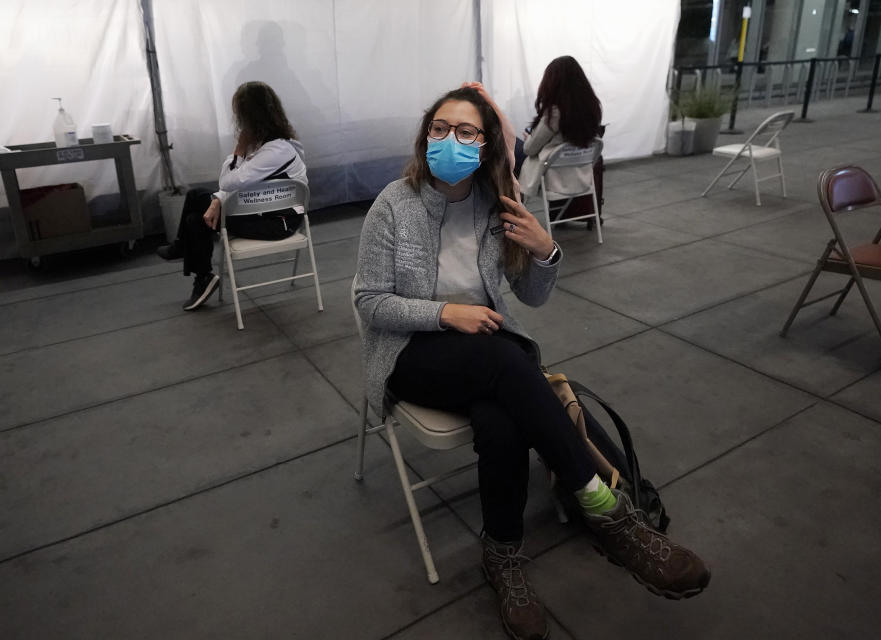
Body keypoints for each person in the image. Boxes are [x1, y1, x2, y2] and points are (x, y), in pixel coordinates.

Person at [355, 86, 710, 640]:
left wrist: (545, 250)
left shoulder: (495, 206)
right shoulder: (393, 205)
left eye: (467, 131)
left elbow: (531, 295)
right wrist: (447, 313)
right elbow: (370, 302)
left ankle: (502, 555)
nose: (451, 140)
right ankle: (605, 507)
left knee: (501, 423)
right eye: (440, 128)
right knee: (506, 360)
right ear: (426, 135)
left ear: (486, 143)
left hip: (485, 356)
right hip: (410, 353)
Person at [157, 81, 308, 311]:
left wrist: (237, 151)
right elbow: (240, 184)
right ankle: (199, 270)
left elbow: (228, 181)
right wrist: (218, 200)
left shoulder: (274, 151)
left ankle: (194, 263)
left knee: (196, 201)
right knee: (196, 216)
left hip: (279, 224)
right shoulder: (272, 146)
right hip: (267, 213)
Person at [517, 56, 602, 202]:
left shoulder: (555, 112)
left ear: (553, 83)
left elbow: (530, 149)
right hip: (580, 175)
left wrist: (529, 137)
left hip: (554, 175)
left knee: (511, 148)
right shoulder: (592, 106)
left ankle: (514, 208)